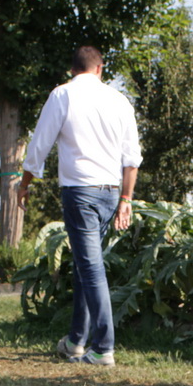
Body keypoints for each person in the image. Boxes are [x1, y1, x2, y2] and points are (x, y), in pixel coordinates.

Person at [20, 45, 142, 367]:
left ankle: (103, 348)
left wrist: (25, 183)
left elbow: (40, 144)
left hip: (80, 193)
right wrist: (126, 200)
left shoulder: (63, 95)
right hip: (111, 192)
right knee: (85, 265)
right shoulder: (119, 100)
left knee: (90, 268)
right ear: (100, 69)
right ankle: (76, 340)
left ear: (73, 69)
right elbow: (132, 158)